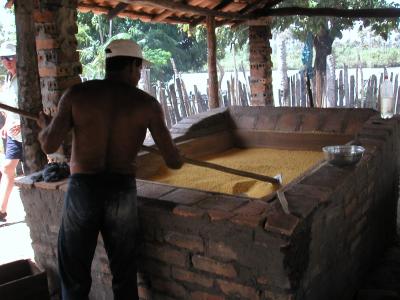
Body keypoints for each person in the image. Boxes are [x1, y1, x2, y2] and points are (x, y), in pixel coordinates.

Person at [37, 39, 183, 299]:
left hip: (83, 189)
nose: (139, 76)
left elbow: (49, 144)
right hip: (121, 192)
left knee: (74, 272)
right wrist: (179, 154)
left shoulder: (77, 95)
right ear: (131, 66)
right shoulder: (146, 105)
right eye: (139, 70)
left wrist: (45, 127)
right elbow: (173, 161)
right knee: (124, 273)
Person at [0, 42, 22, 222]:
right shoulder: (7, 80)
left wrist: (23, 124)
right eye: (2, 58)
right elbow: (9, 109)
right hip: (14, 133)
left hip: (30, 131)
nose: (7, 61)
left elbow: (37, 104)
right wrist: (7, 124)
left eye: (10, 57)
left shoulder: (26, 78)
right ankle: (1, 211)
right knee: (7, 168)